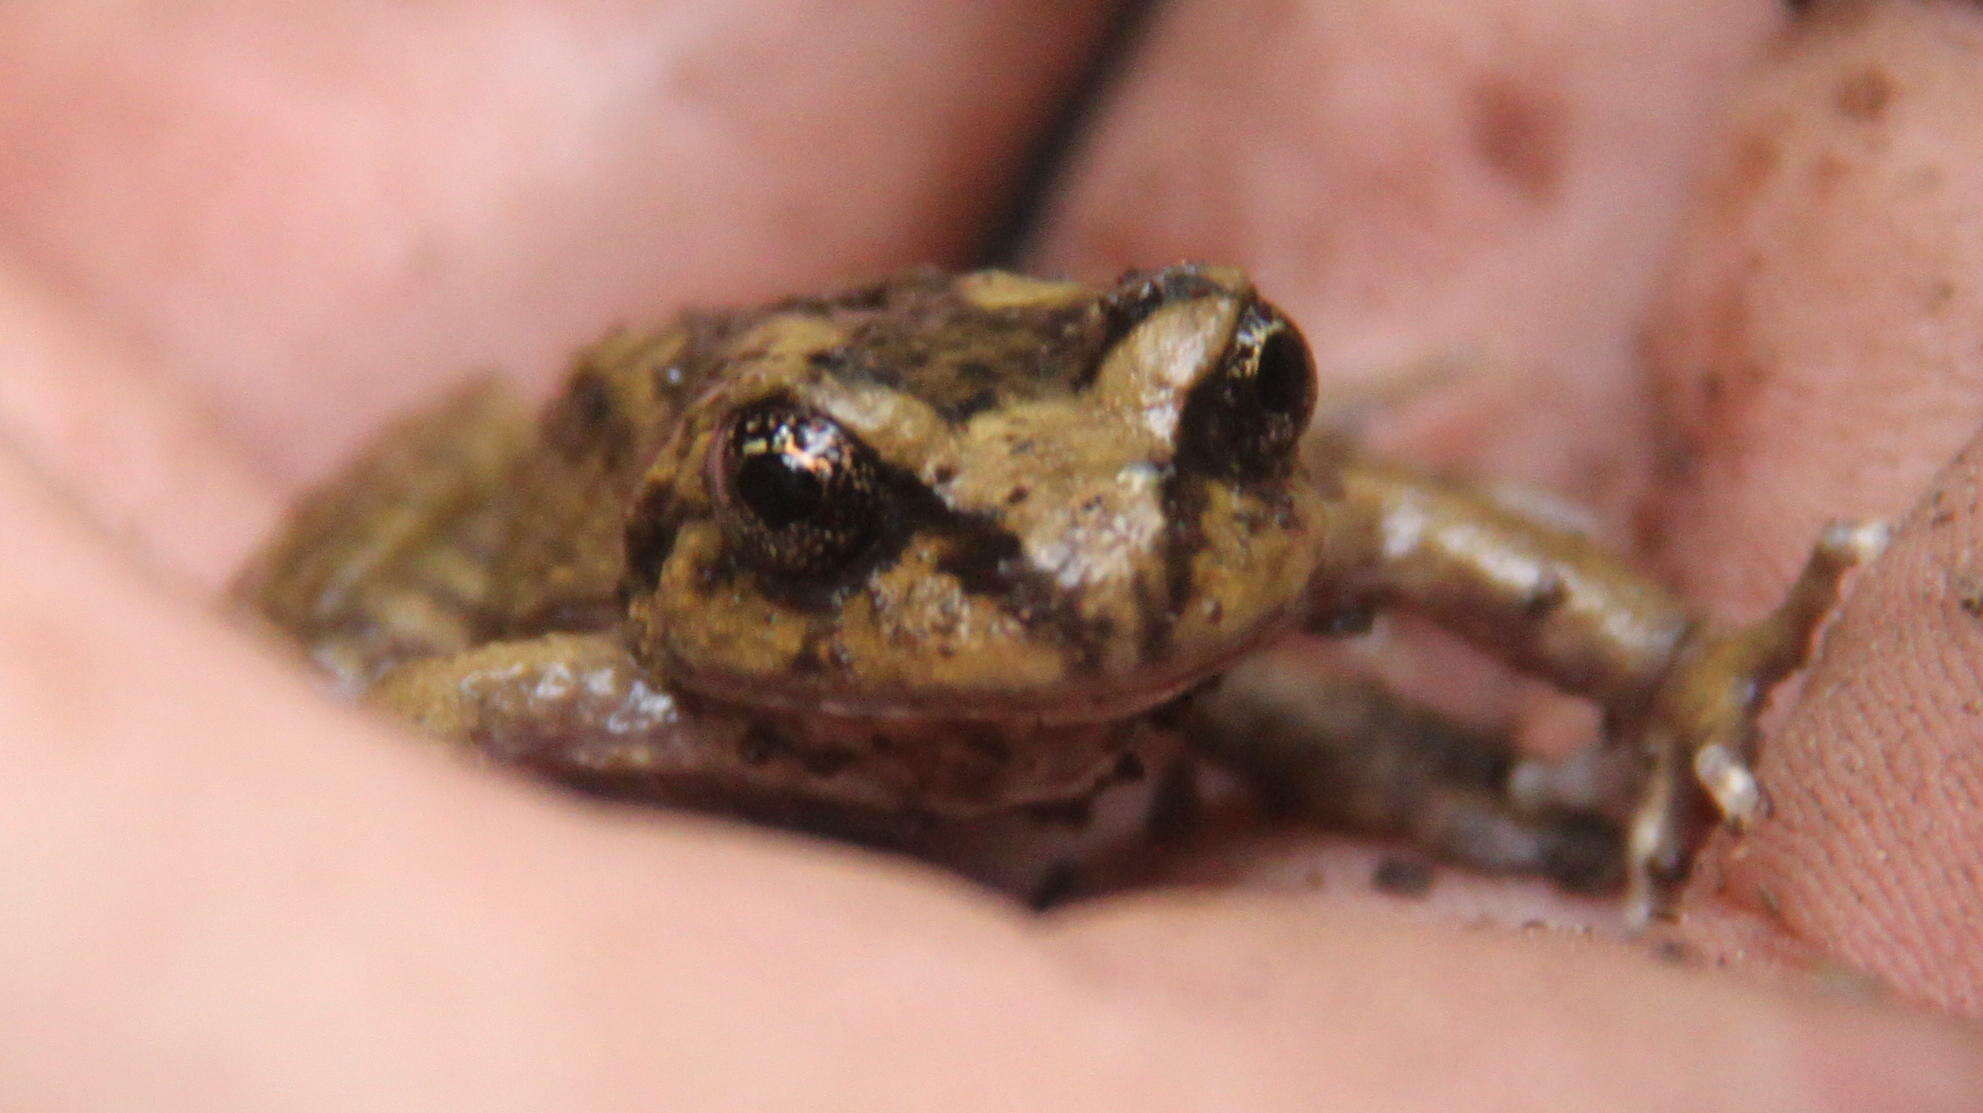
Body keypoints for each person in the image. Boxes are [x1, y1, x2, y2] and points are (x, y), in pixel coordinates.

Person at [0, 1, 1976, 1108]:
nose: (1091, 580)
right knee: (318, 658)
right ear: (747, 526)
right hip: (608, 460)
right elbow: (405, 734)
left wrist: (1701, 677)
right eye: (809, 501)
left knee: (1250, 642)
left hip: (978, 416)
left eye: (1239, 422)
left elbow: (1422, 536)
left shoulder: (1179, 537)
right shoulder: (615, 659)